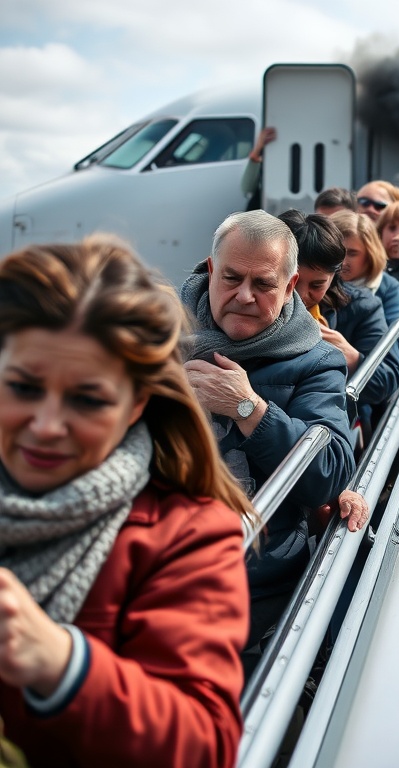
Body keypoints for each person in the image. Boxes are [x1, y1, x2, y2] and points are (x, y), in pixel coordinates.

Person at [0, 236, 251, 766]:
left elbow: (204, 743)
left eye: (87, 399)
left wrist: (61, 663)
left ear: (138, 402)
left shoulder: (188, 532)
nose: (46, 427)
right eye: (22, 388)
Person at [179, 210, 358, 675]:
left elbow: (330, 471)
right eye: (232, 278)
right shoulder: (156, 335)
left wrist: (247, 409)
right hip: (149, 566)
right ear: (210, 270)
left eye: (263, 284)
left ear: (291, 285)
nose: (244, 296)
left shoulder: (317, 361)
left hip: (251, 581)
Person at [278, 210, 399, 417]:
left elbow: (386, 381)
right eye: (290, 282)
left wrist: (352, 359)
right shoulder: (250, 305)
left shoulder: (362, 306)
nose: (300, 295)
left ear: (334, 277)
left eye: (317, 285)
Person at [331, 210, 399, 386]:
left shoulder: (389, 289)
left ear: (370, 254)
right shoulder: (313, 282)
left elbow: (391, 355)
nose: (342, 261)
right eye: (338, 251)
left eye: (352, 253)